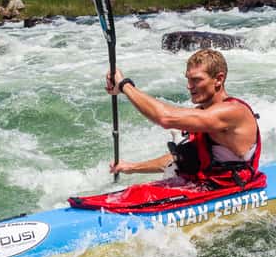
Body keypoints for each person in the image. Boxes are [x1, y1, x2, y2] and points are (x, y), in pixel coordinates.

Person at [106, 48, 262, 189]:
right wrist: (131, 167)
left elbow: (164, 118)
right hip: (203, 185)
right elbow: (179, 159)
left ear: (219, 79)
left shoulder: (233, 112)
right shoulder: (201, 112)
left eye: (196, 80)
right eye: (188, 79)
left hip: (232, 189)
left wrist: (124, 86)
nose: (189, 86)